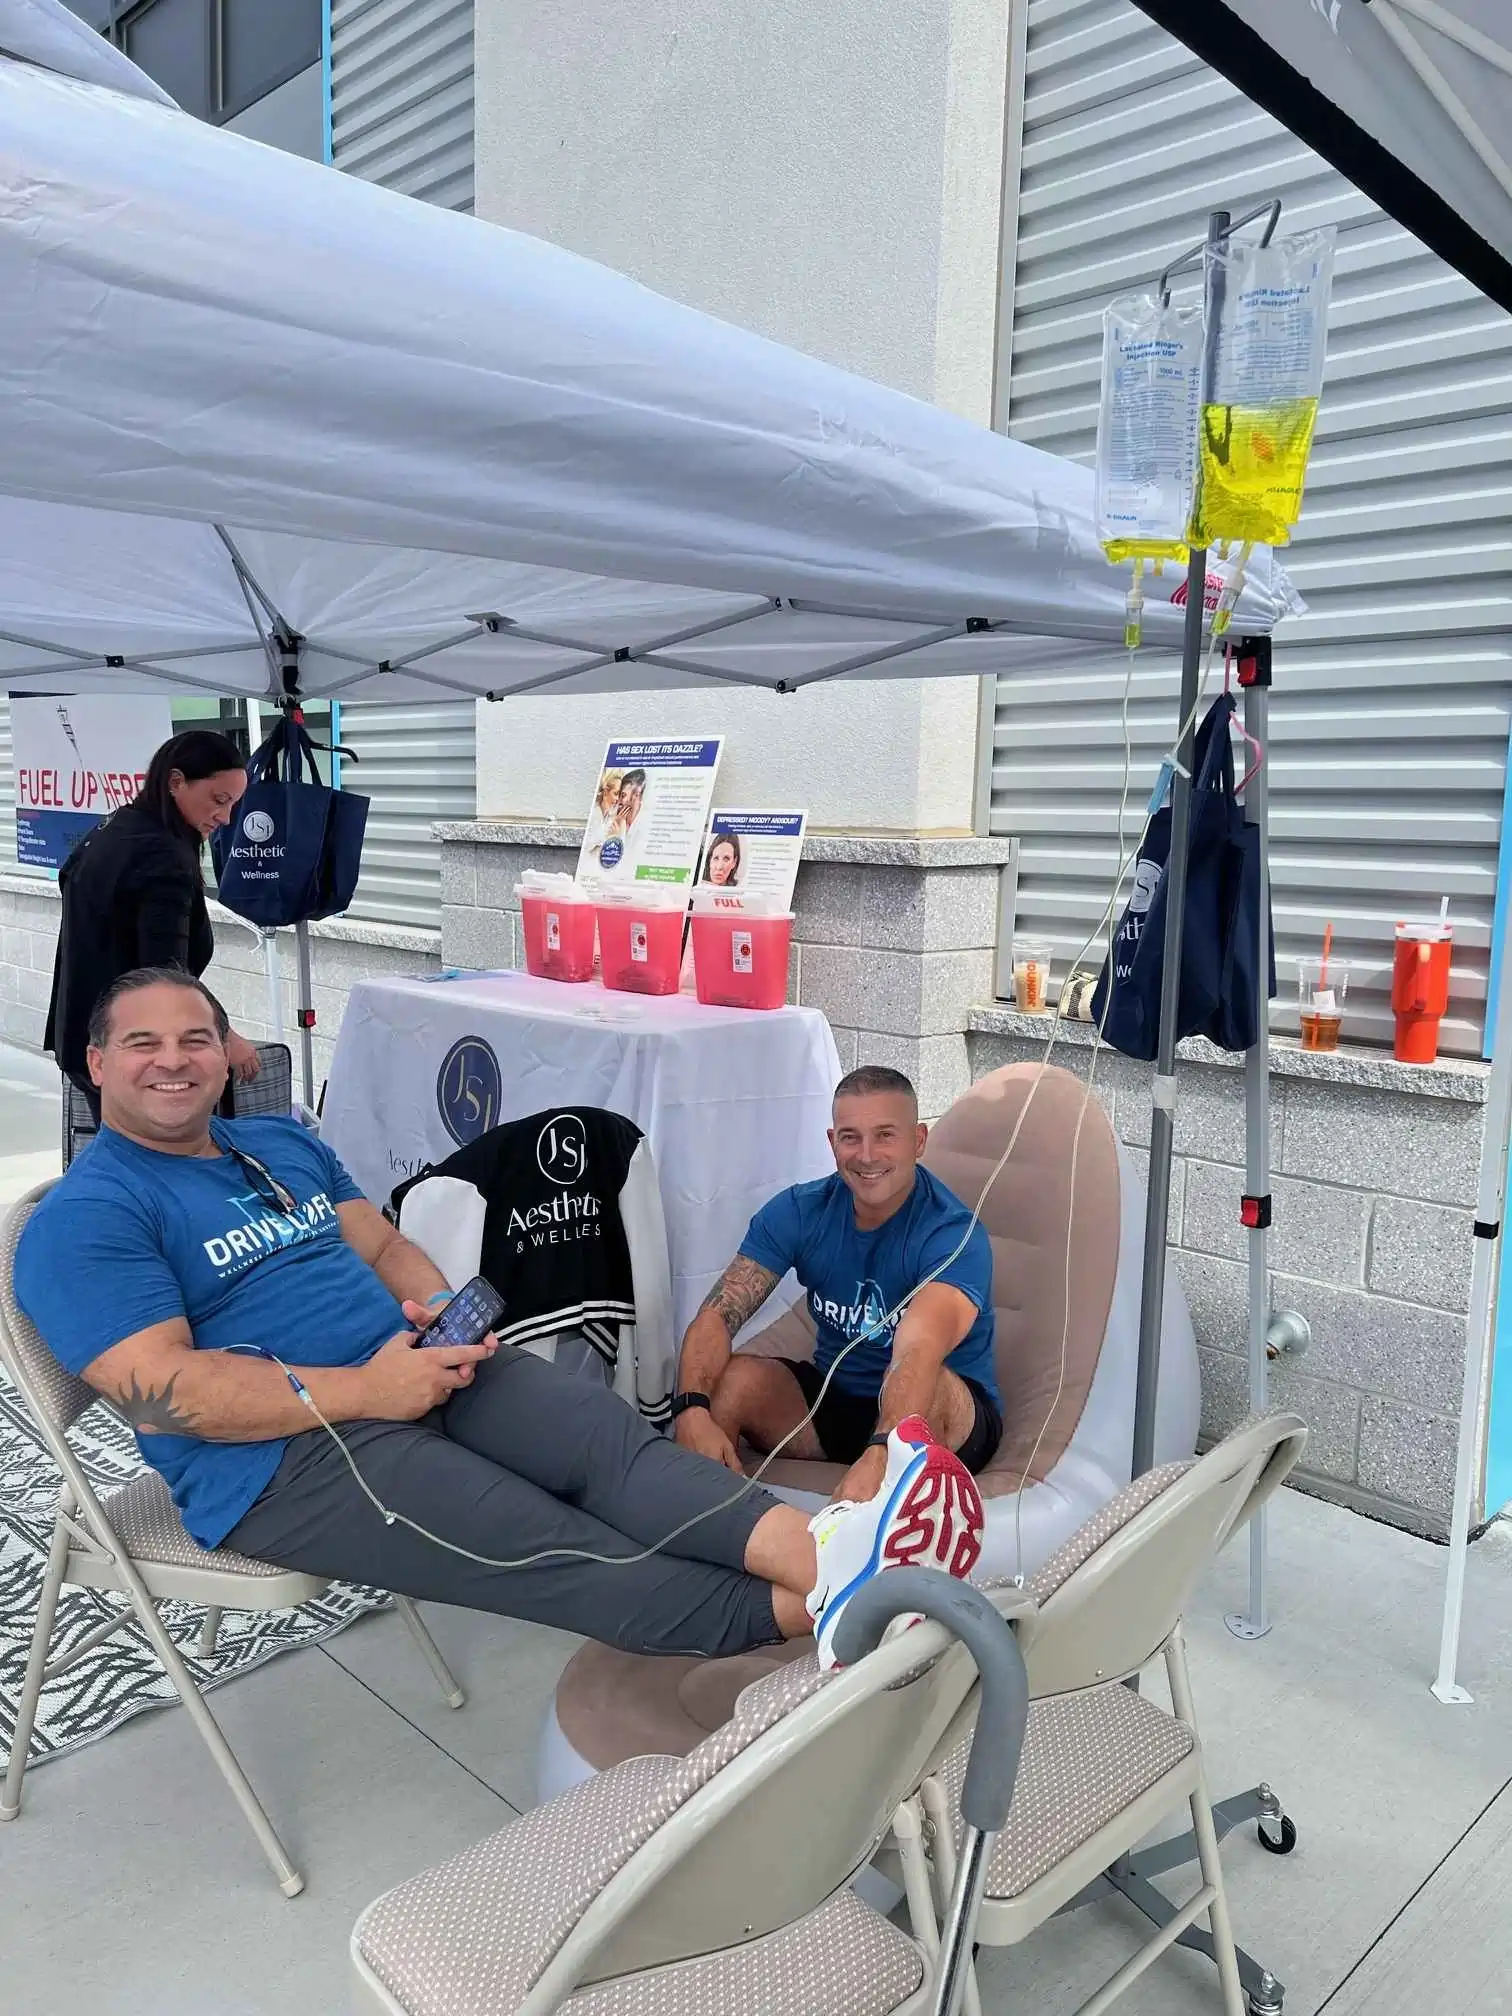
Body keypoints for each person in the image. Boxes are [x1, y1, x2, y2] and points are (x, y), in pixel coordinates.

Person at [14, 971, 984, 1670]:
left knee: (606, 1438)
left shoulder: (277, 1143)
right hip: (288, 1456)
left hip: (418, 1366)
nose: (173, 1060)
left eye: (195, 1038)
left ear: (225, 1053)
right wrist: (370, 1389)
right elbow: (166, 1395)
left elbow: (383, 1245)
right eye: (142, 1043)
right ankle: (835, 1609)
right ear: (96, 1062)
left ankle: (832, 1558)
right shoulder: (88, 1218)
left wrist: (438, 1305)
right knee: (548, 1540)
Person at [673, 1066, 1003, 1506]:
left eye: (885, 1135)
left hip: (939, 1411)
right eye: (851, 1137)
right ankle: (715, 1519)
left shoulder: (953, 1234)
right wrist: (691, 1408)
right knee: (730, 1381)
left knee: (931, 1386)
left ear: (918, 1141)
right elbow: (717, 1315)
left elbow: (919, 1350)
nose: (867, 1155)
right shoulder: (799, 1211)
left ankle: (890, 1520)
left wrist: (883, 1448)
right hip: (838, 1401)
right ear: (832, 1143)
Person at [45, 728, 262, 1125]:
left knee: (121, 1151)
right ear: (176, 782)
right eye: (219, 800)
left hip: (83, 1034)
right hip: (134, 1050)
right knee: (154, 1156)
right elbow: (164, 974)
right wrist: (225, 1036)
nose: (225, 817)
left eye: (234, 804)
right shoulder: (164, 857)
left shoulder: (115, 826)